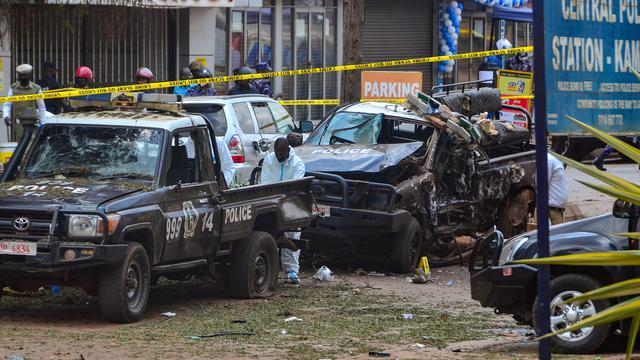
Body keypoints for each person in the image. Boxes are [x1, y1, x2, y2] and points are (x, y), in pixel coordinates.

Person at [260, 137, 306, 285]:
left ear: (287, 150)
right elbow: (265, 182)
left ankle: (291, 270)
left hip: (291, 201)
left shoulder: (297, 163)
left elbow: (294, 186)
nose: (278, 156)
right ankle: (270, 269)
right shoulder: (269, 159)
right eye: (276, 153)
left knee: (292, 235)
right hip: (272, 202)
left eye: (281, 153)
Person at [2, 64, 47, 141]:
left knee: (31, 146)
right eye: (20, 75)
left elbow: (41, 108)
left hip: (32, 124)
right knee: (21, 146)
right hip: (19, 124)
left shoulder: (36, 89)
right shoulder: (13, 88)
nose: (22, 78)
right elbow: (7, 104)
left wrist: (43, 126)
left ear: (30, 75)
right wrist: (6, 116)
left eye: (24, 75)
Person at [548, 153, 568, 225]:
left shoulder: (556, 160)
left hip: (557, 211)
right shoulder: (549, 160)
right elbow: (542, 184)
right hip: (550, 211)